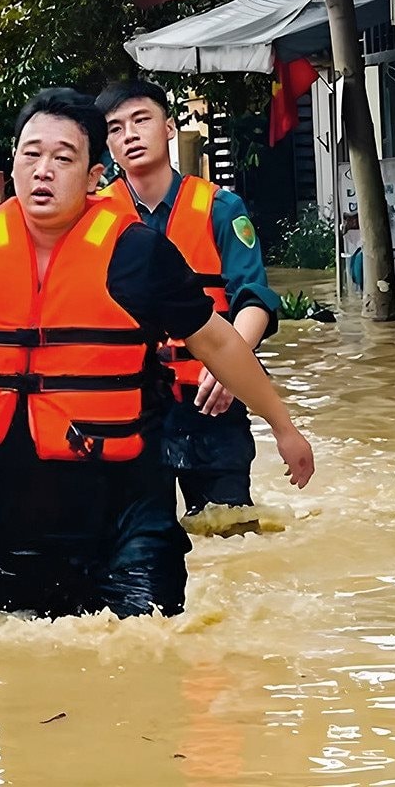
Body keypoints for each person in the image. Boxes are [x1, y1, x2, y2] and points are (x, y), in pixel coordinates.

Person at [0, 88, 315, 620]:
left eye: (63, 157)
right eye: (31, 155)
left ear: (95, 175)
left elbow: (215, 340)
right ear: (13, 164)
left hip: (127, 518)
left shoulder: (138, 257)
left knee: (147, 654)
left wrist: (283, 426)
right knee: (29, 679)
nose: (43, 170)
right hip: (17, 518)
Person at [96, 81, 281, 523]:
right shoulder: (95, 217)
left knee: (229, 532)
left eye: (141, 120)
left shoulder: (220, 207)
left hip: (210, 399)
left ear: (170, 127)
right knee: (138, 538)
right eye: (116, 128)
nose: (130, 135)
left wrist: (231, 364)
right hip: (129, 403)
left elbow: (252, 297)